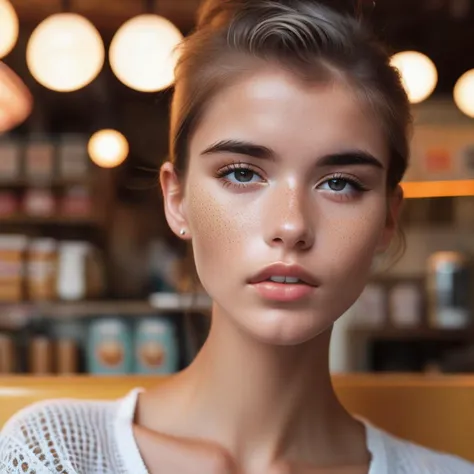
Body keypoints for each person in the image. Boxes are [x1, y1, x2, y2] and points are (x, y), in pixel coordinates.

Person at [1, 0, 473, 473]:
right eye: (243, 173)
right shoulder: (57, 454)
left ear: (389, 220)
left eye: (339, 183)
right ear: (176, 199)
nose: (291, 225)